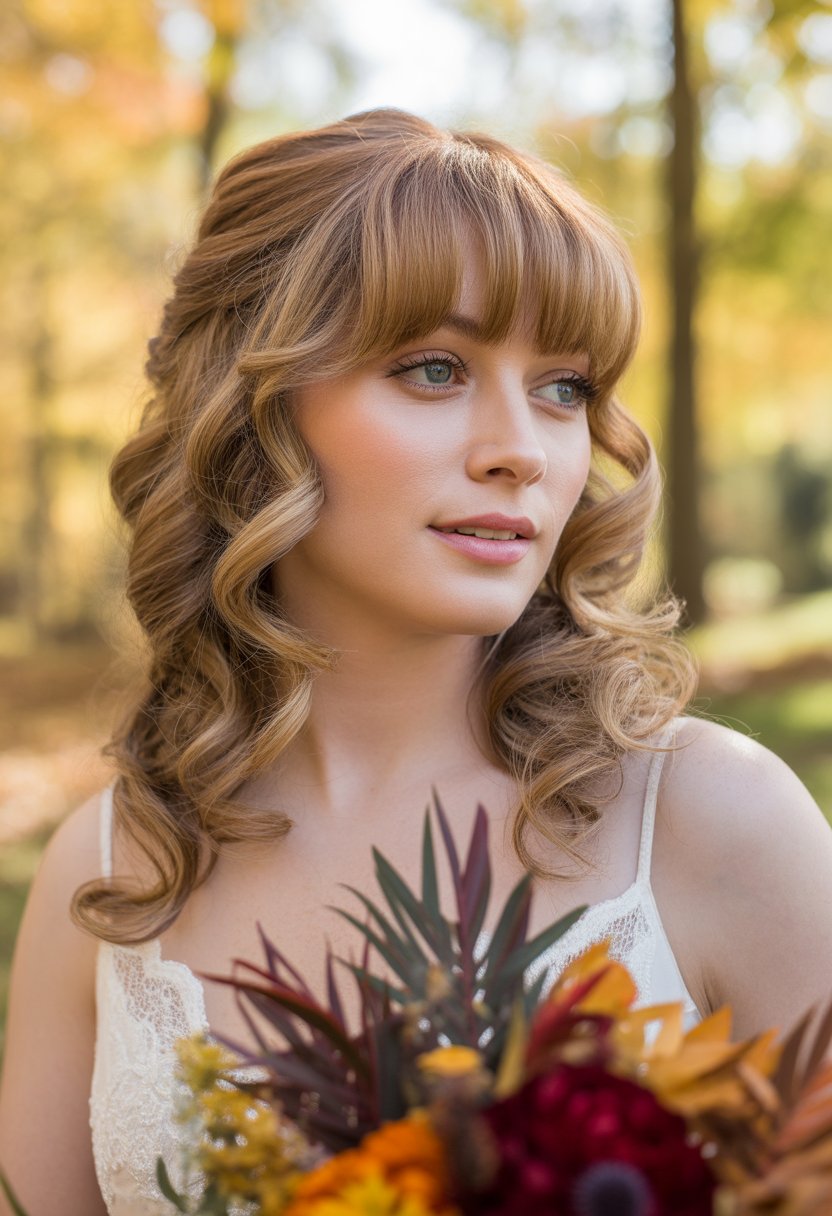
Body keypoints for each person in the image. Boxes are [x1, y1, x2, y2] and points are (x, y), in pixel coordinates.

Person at [2, 107, 831, 1216]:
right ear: (250, 409)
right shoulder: (111, 875)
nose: (521, 451)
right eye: (435, 368)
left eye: (564, 387)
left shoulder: (715, 821)